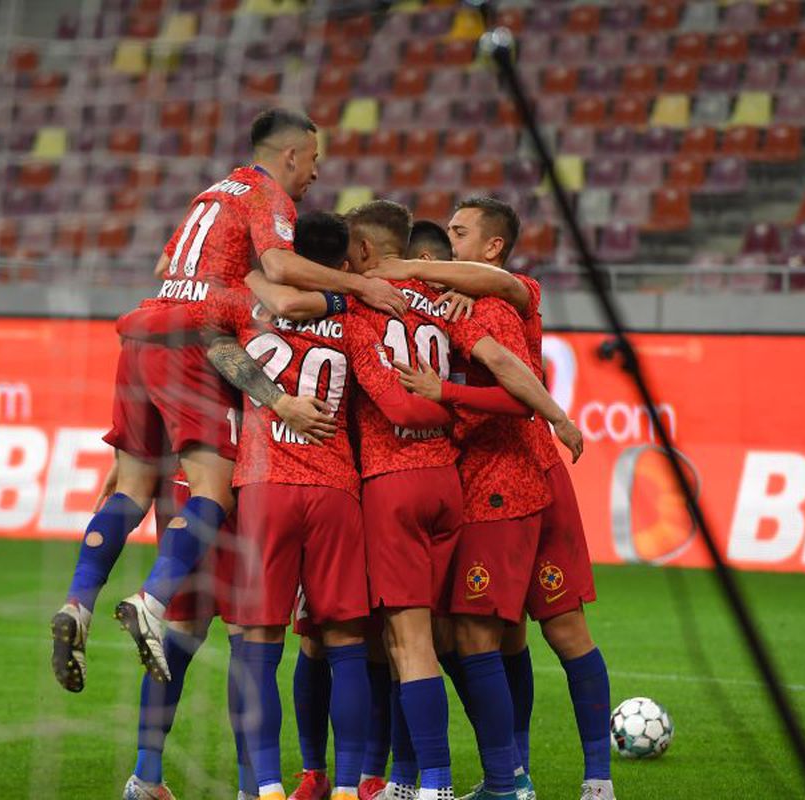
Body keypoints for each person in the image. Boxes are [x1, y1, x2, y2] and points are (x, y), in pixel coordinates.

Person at [51, 108, 406, 696]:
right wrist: (362, 286)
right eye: (314, 160)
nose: (316, 174)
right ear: (290, 155)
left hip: (141, 334)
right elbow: (282, 266)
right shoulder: (268, 196)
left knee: (133, 489)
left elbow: (166, 265)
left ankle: (77, 604)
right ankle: (151, 599)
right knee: (211, 492)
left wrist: (226, 281)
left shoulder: (211, 194)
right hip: (193, 343)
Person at [116, 211, 451, 800]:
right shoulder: (355, 316)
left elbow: (203, 339)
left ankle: (264, 787)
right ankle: (347, 787)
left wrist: (268, 394)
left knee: (257, 646)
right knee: (347, 647)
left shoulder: (248, 306)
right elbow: (393, 406)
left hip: (263, 489)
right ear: (346, 263)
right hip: (336, 493)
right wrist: (450, 410)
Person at [337, 201, 583, 800]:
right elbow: (500, 361)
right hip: (451, 482)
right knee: (449, 637)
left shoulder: (360, 305)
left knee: (404, 640)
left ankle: (427, 782)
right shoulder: (447, 307)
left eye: (460, 230)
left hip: (399, 481)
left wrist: (440, 397)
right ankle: (481, 775)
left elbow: (398, 404)